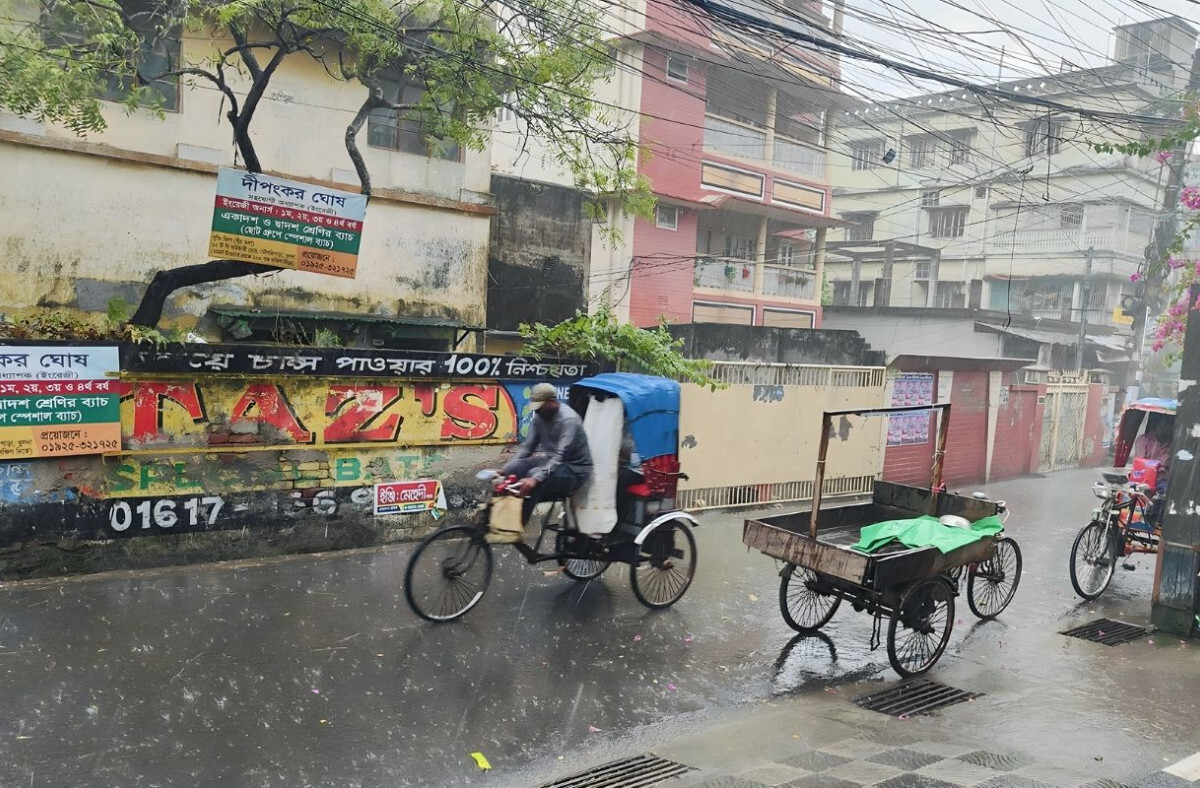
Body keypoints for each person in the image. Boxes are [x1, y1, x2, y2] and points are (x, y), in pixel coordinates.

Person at [502, 383, 593, 522]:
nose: (537, 411)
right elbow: (528, 448)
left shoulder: (568, 420)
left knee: (533, 476)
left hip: (575, 470)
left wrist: (535, 478)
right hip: (552, 462)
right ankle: (496, 518)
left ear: (552, 401)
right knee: (511, 469)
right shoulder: (540, 417)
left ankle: (518, 525)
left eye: (540, 407)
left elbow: (560, 456)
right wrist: (506, 468)